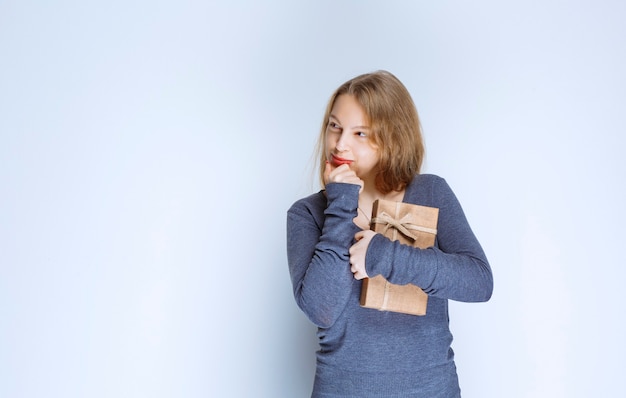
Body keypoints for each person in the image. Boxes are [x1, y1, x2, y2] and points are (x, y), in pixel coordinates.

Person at [286, 70, 493, 397]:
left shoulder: (432, 193)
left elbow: (479, 282)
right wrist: (341, 203)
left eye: (360, 133)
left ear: (393, 138)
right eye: (335, 126)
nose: (340, 143)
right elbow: (320, 308)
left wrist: (386, 256)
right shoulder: (308, 213)